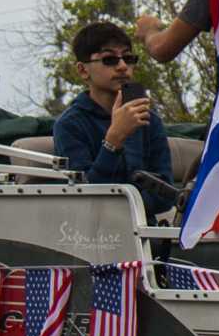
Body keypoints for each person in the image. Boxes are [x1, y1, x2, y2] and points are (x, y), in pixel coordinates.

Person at [54, 22, 175, 220]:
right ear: (83, 70)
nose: (122, 66)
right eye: (109, 59)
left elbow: (166, 195)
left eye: (128, 58)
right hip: (93, 240)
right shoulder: (70, 125)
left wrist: (128, 206)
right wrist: (113, 141)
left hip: (144, 237)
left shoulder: (148, 119)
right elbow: (84, 199)